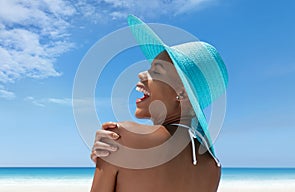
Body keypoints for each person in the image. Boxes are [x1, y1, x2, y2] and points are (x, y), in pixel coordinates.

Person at [90, 15, 228, 192]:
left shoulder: (120, 137)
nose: (141, 75)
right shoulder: (212, 167)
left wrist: (106, 162)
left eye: (157, 71)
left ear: (182, 93)